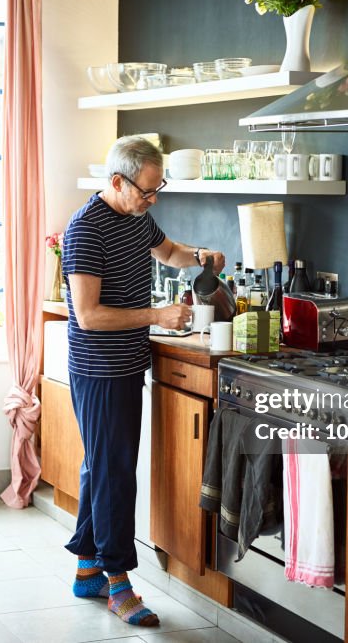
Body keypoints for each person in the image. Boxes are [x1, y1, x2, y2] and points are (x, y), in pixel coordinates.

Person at [61, 135, 225, 627]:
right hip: (99, 369)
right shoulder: (85, 230)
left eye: (159, 190)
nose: (154, 200)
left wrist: (200, 256)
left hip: (127, 365)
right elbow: (88, 316)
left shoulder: (136, 216)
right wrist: (157, 315)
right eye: (148, 191)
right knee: (114, 473)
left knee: (101, 467)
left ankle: (88, 567)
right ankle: (119, 581)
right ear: (117, 181)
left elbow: (168, 249)